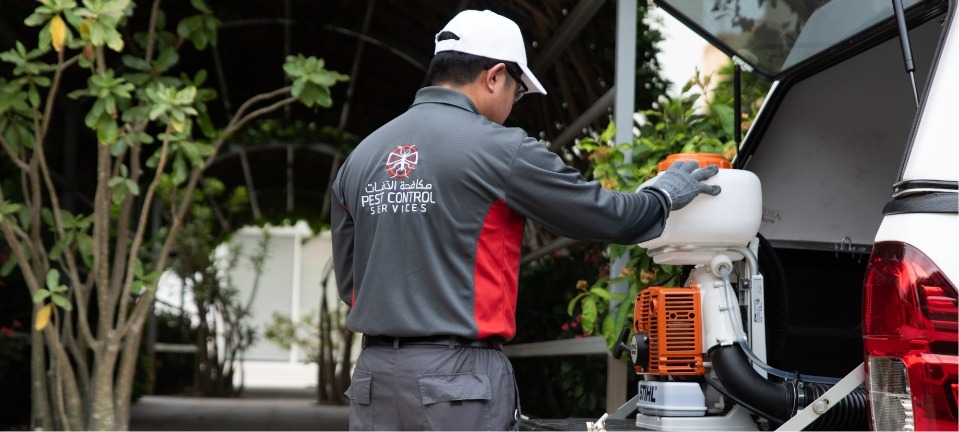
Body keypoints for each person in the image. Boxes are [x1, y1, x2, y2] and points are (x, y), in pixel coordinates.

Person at [330, 9, 721, 431]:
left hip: (373, 381)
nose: (512, 107)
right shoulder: (498, 149)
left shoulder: (359, 160)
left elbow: (353, 288)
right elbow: (605, 215)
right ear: (495, 76)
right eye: (517, 92)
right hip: (456, 384)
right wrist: (663, 195)